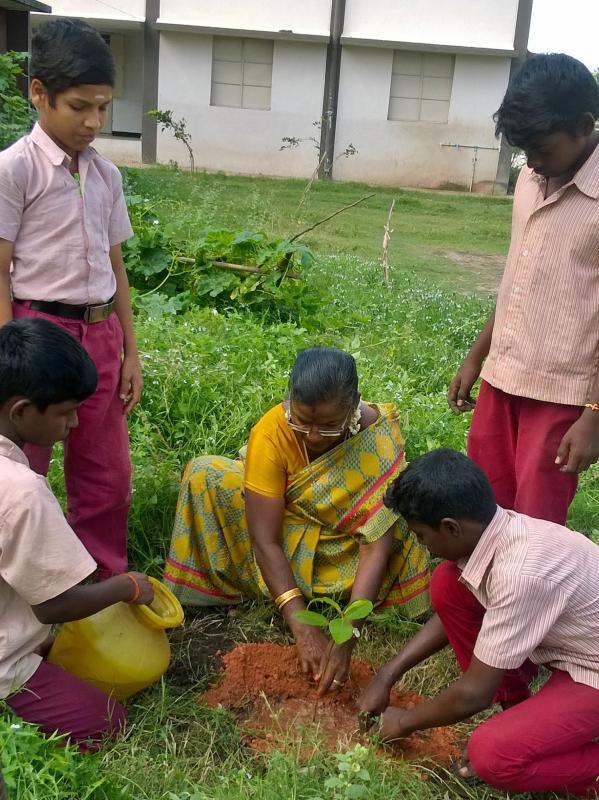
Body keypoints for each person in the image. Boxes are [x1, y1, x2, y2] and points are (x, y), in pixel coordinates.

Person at [165, 346, 430, 694]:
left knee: (398, 528)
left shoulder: (376, 437)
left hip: (346, 549)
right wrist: (301, 625)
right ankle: (280, 589)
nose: (314, 436)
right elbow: (265, 539)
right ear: (289, 401)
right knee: (204, 475)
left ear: (354, 407)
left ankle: (322, 589)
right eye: (302, 423)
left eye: (329, 425)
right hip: (284, 534)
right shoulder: (271, 432)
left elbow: (375, 547)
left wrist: (349, 633)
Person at [358, 449, 599, 797]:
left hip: (591, 670)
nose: (422, 547)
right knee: (447, 583)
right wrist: (386, 675)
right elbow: (449, 615)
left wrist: (403, 722)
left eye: (421, 536)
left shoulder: (519, 573)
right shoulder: (499, 532)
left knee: (493, 756)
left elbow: (472, 695)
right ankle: (518, 713)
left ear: (451, 528)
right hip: (578, 650)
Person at [0, 19, 142, 579]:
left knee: (107, 474)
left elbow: (116, 265)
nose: (93, 122)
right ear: (39, 93)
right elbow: (1, 268)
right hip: (38, 332)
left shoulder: (105, 175)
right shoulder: (14, 170)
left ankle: (101, 586)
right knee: (20, 468)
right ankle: (28, 589)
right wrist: (8, 354)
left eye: (103, 108)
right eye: (80, 106)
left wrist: (131, 350)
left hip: (101, 333)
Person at [447, 53, 599, 525]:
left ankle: (531, 599)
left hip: (562, 392)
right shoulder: (532, 178)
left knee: (534, 525)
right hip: (502, 377)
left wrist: (594, 413)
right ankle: (486, 596)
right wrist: (477, 358)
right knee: (485, 510)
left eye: (542, 149)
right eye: (522, 151)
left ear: (584, 124)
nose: (531, 162)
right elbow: (519, 278)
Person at [0, 319, 153, 750]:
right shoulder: (21, 491)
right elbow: (55, 606)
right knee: (107, 722)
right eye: (66, 412)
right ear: (22, 411)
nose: (75, 423)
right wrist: (125, 586)